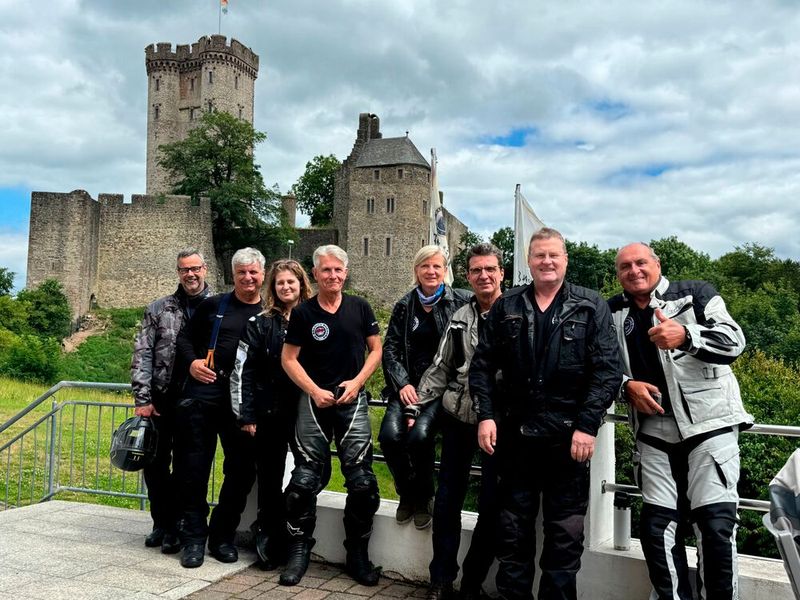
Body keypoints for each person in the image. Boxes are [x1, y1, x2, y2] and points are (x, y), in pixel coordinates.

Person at [469, 227, 622, 600]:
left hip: (568, 442)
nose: (547, 262)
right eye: (539, 255)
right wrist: (486, 415)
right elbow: (482, 367)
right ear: (529, 261)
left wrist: (587, 426)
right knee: (512, 533)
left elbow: (607, 371)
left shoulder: (590, 306)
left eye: (554, 255)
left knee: (565, 538)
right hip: (515, 438)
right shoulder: (508, 307)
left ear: (565, 260)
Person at [609, 242, 753, 600]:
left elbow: (734, 341)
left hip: (709, 425)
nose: (634, 271)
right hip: (653, 430)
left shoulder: (695, 294)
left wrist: (687, 336)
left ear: (657, 264)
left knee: (715, 525)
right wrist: (626, 387)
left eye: (641, 262)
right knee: (657, 527)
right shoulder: (611, 311)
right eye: (625, 266)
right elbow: (598, 367)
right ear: (618, 274)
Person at [279, 244, 383, 587]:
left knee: (364, 484)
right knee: (302, 483)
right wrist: (313, 390)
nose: (333, 276)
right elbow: (289, 359)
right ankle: (297, 551)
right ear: (315, 274)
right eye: (326, 270)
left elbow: (376, 350)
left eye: (338, 270)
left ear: (346, 273)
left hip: (351, 401)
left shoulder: (359, 307)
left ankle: (356, 553)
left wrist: (357, 382)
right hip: (314, 402)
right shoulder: (305, 313)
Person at [413, 243, 504, 600]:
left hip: (498, 422)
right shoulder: (459, 317)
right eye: (477, 270)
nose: (484, 276)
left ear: (501, 273)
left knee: (492, 504)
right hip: (457, 416)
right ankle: (441, 580)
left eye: (490, 269)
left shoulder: (514, 313)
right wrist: (415, 408)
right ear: (468, 275)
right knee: (448, 500)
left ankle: (471, 583)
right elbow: (440, 367)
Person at [173, 247, 266, 569]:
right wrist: (193, 362)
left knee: (240, 472)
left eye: (253, 272)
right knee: (193, 470)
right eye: (242, 272)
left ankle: (222, 536)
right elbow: (183, 339)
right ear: (233, 275)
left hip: (243, 403)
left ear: (262, 275)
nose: (248, 277)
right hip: (205, 394)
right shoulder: (214, 306)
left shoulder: (270, 313)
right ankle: (194, 539)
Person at [379, 245, 472, 529]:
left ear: (445, 272)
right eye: (425, 266)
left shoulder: (459, 302)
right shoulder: (405, 305)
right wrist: (402, 383)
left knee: (419, 437)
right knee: (388, 436)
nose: (431, 271)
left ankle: (423, 497)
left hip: (439, 388)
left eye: (437, 266)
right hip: (407, 385)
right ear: (416, 271)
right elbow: (391, 349)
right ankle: (408, 492)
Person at [230, 259, 313, 570]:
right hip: (269, 413)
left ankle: (290, 529)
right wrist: (245, 415)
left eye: (291, 281)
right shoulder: (259, 323)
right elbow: (242, 372)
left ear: (301, 284)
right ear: (273, 288)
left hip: (307, 413)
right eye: (280, 283)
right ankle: (268, 532)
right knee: (269, 477)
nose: (286, 287)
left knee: (311, 475)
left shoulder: (315, 319)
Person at [131, 248, 212, 553]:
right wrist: (143, 397)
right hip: (161, 399)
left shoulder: (217, 307)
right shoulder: (159, 308)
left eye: (195, 268)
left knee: (187, 468)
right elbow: (143, 352)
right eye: (184, 270)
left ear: (205, 269)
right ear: (178, 273)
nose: (190, 274)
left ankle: (178, 526)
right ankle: (161, 522)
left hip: (198, 401)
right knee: (153, 465)